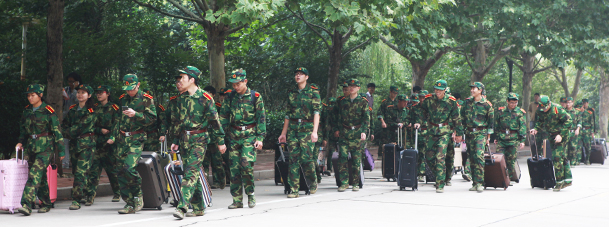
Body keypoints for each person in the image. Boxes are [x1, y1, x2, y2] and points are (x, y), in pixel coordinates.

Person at [170, 66, 226, 219]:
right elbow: (179, 122)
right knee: (191, 172)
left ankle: (182, 207)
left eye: (183, 77)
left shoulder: (206, 98)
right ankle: (199, 207)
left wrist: (220, 141)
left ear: (192, 80)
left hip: (199, 140)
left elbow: (215, 121)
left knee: (190, 173)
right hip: (184, 140)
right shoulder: (181, 98)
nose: (180, 80)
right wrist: (175, 140)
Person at [106, 74, 157, 214]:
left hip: (136, 138)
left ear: (138, 85)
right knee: (120, 171)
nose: (129, 91)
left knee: (129, 168)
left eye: (132, 88)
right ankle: (129, 203)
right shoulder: (123, 99)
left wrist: (136, 114)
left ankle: (137, 195)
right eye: (127, 89)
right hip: (122, 139)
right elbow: (118, 120)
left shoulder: (146, 99)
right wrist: (113, 136)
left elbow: (152, 119)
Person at [219, 69, 266, 209]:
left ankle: (250, 194)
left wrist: (260, 138)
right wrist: (220, 139)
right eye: (233, 84)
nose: (235, 87)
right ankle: (237, 200)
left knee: (246, 166)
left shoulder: (255, 96)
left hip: (249, 136)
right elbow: (223, 118)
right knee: (234, 168)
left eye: (238, 84)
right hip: (234, 136)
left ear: (245, 81)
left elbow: (261, 118)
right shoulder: (230, 97)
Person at [16, 84, 66, 216]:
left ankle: (26, 204)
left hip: (46, 148)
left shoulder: (48, 111)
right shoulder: (27, 111)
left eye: (33, 95)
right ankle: (46, 202)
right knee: (41, 177)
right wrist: (20, 142)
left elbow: (57, 132)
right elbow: (23, 130)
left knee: (34, 175)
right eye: (28, 96)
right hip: (31, 147)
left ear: (40, 95)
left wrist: (61, 151)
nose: (30, 98)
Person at [278, 67, 321, 198]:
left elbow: (316, 113)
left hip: (307, 129)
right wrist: (283, 133)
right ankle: (294, 189)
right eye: (296, 74)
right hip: (293, 129)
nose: (298, 76)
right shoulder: (291, 93)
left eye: (301, 74)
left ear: (306, 77)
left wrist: (315, 131)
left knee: (307, 159)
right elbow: (287, 114)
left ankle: (312, 182)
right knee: (293, 159)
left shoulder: (314, 92)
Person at [414, 80, 463, 193]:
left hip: (444, 131)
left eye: (440, 90)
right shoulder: (428, 100)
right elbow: (421, 111)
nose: (437, 92)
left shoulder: (451, 101)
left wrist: (459, 133)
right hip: (431, 131)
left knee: (440, 157)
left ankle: (440, 184)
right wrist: (419, 121)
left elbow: (457, 118)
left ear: (445, 90)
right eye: (436, 89)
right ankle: (441, 175)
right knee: (429, 157)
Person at [62, 84, 98, 210]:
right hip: (74, 145)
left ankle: (76, 200)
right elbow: (64, 126)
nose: (80, 95)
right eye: (78, 92)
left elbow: (80, 127)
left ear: (89, 95)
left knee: (80, 172)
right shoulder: (72, 110)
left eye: (83, 93)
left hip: (86, 144)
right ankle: (88, 193)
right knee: (77, 171)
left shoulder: (91, 111)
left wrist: (68, 132)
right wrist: (67, 132)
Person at [333, 79, 370, 192]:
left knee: (355, 159)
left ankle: (355, 183)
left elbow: (366, 119)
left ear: (358, 88)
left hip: (357, 132)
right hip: (344, 132)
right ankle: (344, 183)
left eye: (354, 86)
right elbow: (337, 117)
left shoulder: (363, 102)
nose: (351, 88)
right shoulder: (342, 102)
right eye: (350, 86)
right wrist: (337, 129)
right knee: (342, 157)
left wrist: (364, 131)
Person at [86, 85, 121, 205]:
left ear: (108, 94)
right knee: (94, 171)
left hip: (110, 144)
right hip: (97, 143)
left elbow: (118, 124)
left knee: (112, 170)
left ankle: (117, 192)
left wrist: (113, 137)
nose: (99, 95)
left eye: (101, 92)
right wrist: (99, 130)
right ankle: (90, 196)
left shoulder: (114, 108)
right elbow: (90, 125)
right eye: (97, 93)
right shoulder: (94, 108)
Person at [530, 95, 572, 191]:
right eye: (542, 107)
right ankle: (568, 179)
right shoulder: (540, 110)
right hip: (551, 136)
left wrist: (561, 135)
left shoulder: (557, 109)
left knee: (556, 157)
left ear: (549, 103)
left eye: (545, 107)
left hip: (562, 135)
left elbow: (569, 121)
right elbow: (540, 121)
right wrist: (536, 129)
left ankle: (559, 182)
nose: (543, 109)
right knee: (561, 157)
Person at [461, 82, 493, 193]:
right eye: (471, 88)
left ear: (480, 90)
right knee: (472, 157)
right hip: (469, 133)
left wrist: (488, 138)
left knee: (479, 156)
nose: (472, 90)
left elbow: (491, 123)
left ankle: (480, 182)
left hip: (481, 133)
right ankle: (474, 182)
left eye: (474, 88)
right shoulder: (467, 103)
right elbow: (462, 118)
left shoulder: (487, 104)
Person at [494, 92, 526, 186]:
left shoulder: (520, 112)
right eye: (511, 102)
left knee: (511, 160)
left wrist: (522, 140)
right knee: (499, 158)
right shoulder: (501, 111)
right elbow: (496, 124)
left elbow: (522, 127)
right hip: (502, 138)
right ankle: (500, 177)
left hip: (513, 138)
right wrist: (496, 137)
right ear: (507, 101)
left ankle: (510, 178)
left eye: (515, 102)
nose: (513, 105)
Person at [201, 86, 225, 189]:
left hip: (215, 139)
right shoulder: (202, 106)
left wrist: (220, 140)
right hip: (205, 138)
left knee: (217, 162)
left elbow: (220, 123)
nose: (208, 94)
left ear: (213, 95)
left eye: (210, 93)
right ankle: (206, 182)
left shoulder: (218, 107)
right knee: (205, 162)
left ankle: (220, 180)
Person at [378, 86, 400, 159]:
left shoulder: (397, 102)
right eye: (394, 93)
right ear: (390, 92)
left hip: (396, 125)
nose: (395, 94)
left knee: (395, 140)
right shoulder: (385, 102)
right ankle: (381, 156)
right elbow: (379, 113)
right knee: (384, 140)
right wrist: (382, 122)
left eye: (396, 93)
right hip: (387, 124)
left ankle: (394, 156)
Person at [142, 89, 166, 154]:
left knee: (153, 156)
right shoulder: (139, 106)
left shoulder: (158, 108)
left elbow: (162, 122)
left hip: (153, 137)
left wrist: (162, 134)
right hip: (140, 136)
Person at [563, 97, 582, 166]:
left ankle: (573, 162)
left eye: (569, 102)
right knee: (565, 148)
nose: (568, 104)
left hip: (573, 132)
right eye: (567, 102)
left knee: (573, 148)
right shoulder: (563, 111)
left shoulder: (576, 112)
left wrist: (578, 129)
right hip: (565, 132)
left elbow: (580, 121)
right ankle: (565, 163)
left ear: (572, 103)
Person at [580, 99, 597, 165]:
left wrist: (592, 132)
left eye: (585, 103)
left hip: (588, 130)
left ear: (587, 103)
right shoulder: (579, 111)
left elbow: (592, 122)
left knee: (587, 146)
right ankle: (579, 160)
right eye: (583, 103)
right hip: (581, 129)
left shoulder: (590, 111)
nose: (584, 104)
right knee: (579, 146)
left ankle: (587, 160)